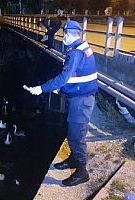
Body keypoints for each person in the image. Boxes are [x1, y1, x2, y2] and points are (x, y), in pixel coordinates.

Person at [24, 20, 98, 186]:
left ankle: (81, 171)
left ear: (69, 34)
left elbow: (64, 77)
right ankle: (73, 159)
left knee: (76, 134)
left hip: (81, 100)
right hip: (81, 96)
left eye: (64, 33)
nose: (62, 36)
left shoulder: (75, 53)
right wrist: (62, 89)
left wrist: (41, 89)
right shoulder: (80, 47)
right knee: (73, 130)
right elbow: (75, 76)